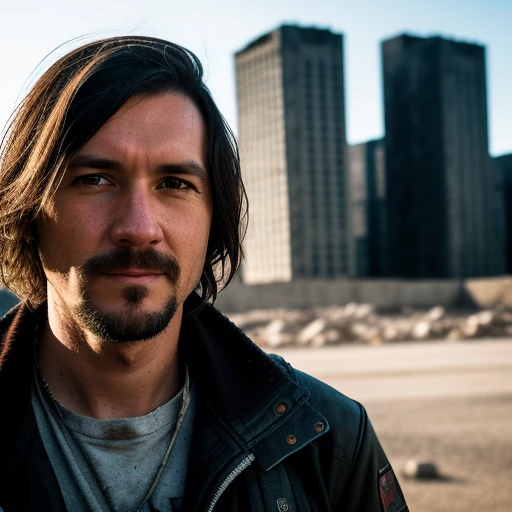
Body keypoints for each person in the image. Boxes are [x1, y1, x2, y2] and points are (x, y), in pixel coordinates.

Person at [0, 36, 408, 512]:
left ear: (213, 219)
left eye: (174, 183)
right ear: (29, 209)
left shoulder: (331, 441)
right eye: (94, 179)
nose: (139, 228)